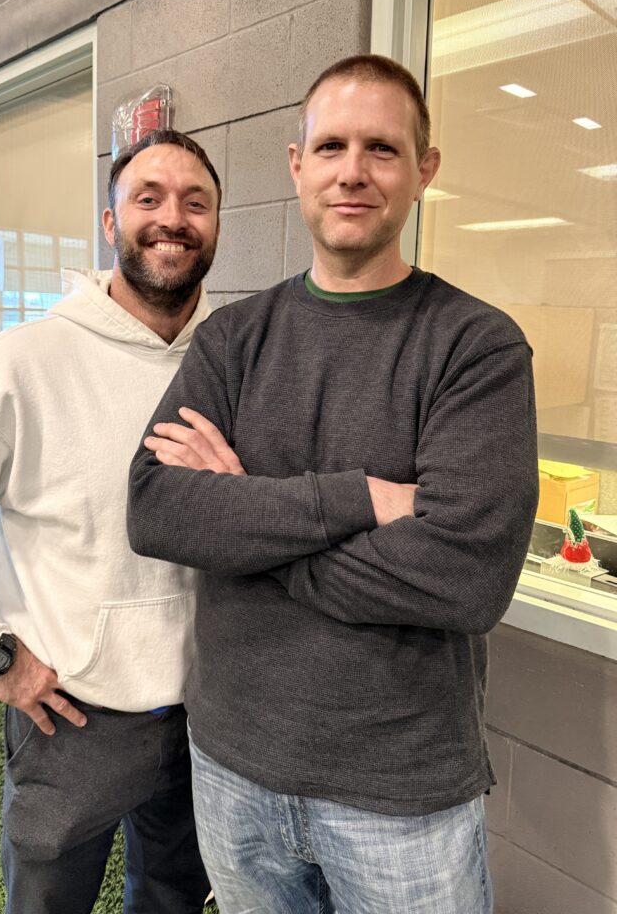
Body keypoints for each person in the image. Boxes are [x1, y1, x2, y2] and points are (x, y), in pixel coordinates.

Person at [127, 56, 539, 914]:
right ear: (297, 166)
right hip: (231, 766)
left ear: (424, 170)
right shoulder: (232, 340)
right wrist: (362, 499)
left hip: (402, 794)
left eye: (382, 149)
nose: (353, 171)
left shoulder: (476, 347)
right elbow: (157, 509)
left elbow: (466, 578)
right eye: (331, 147)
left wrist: (245, 517)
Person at [0, 128, 221, 914]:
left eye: (195, 202)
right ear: (110, 222)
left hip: (210, 714)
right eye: (149, 198)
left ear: (216, 225)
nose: (173, 217)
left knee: (173, 897)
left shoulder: (231, 361)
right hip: (70, 716)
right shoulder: (24, 361)